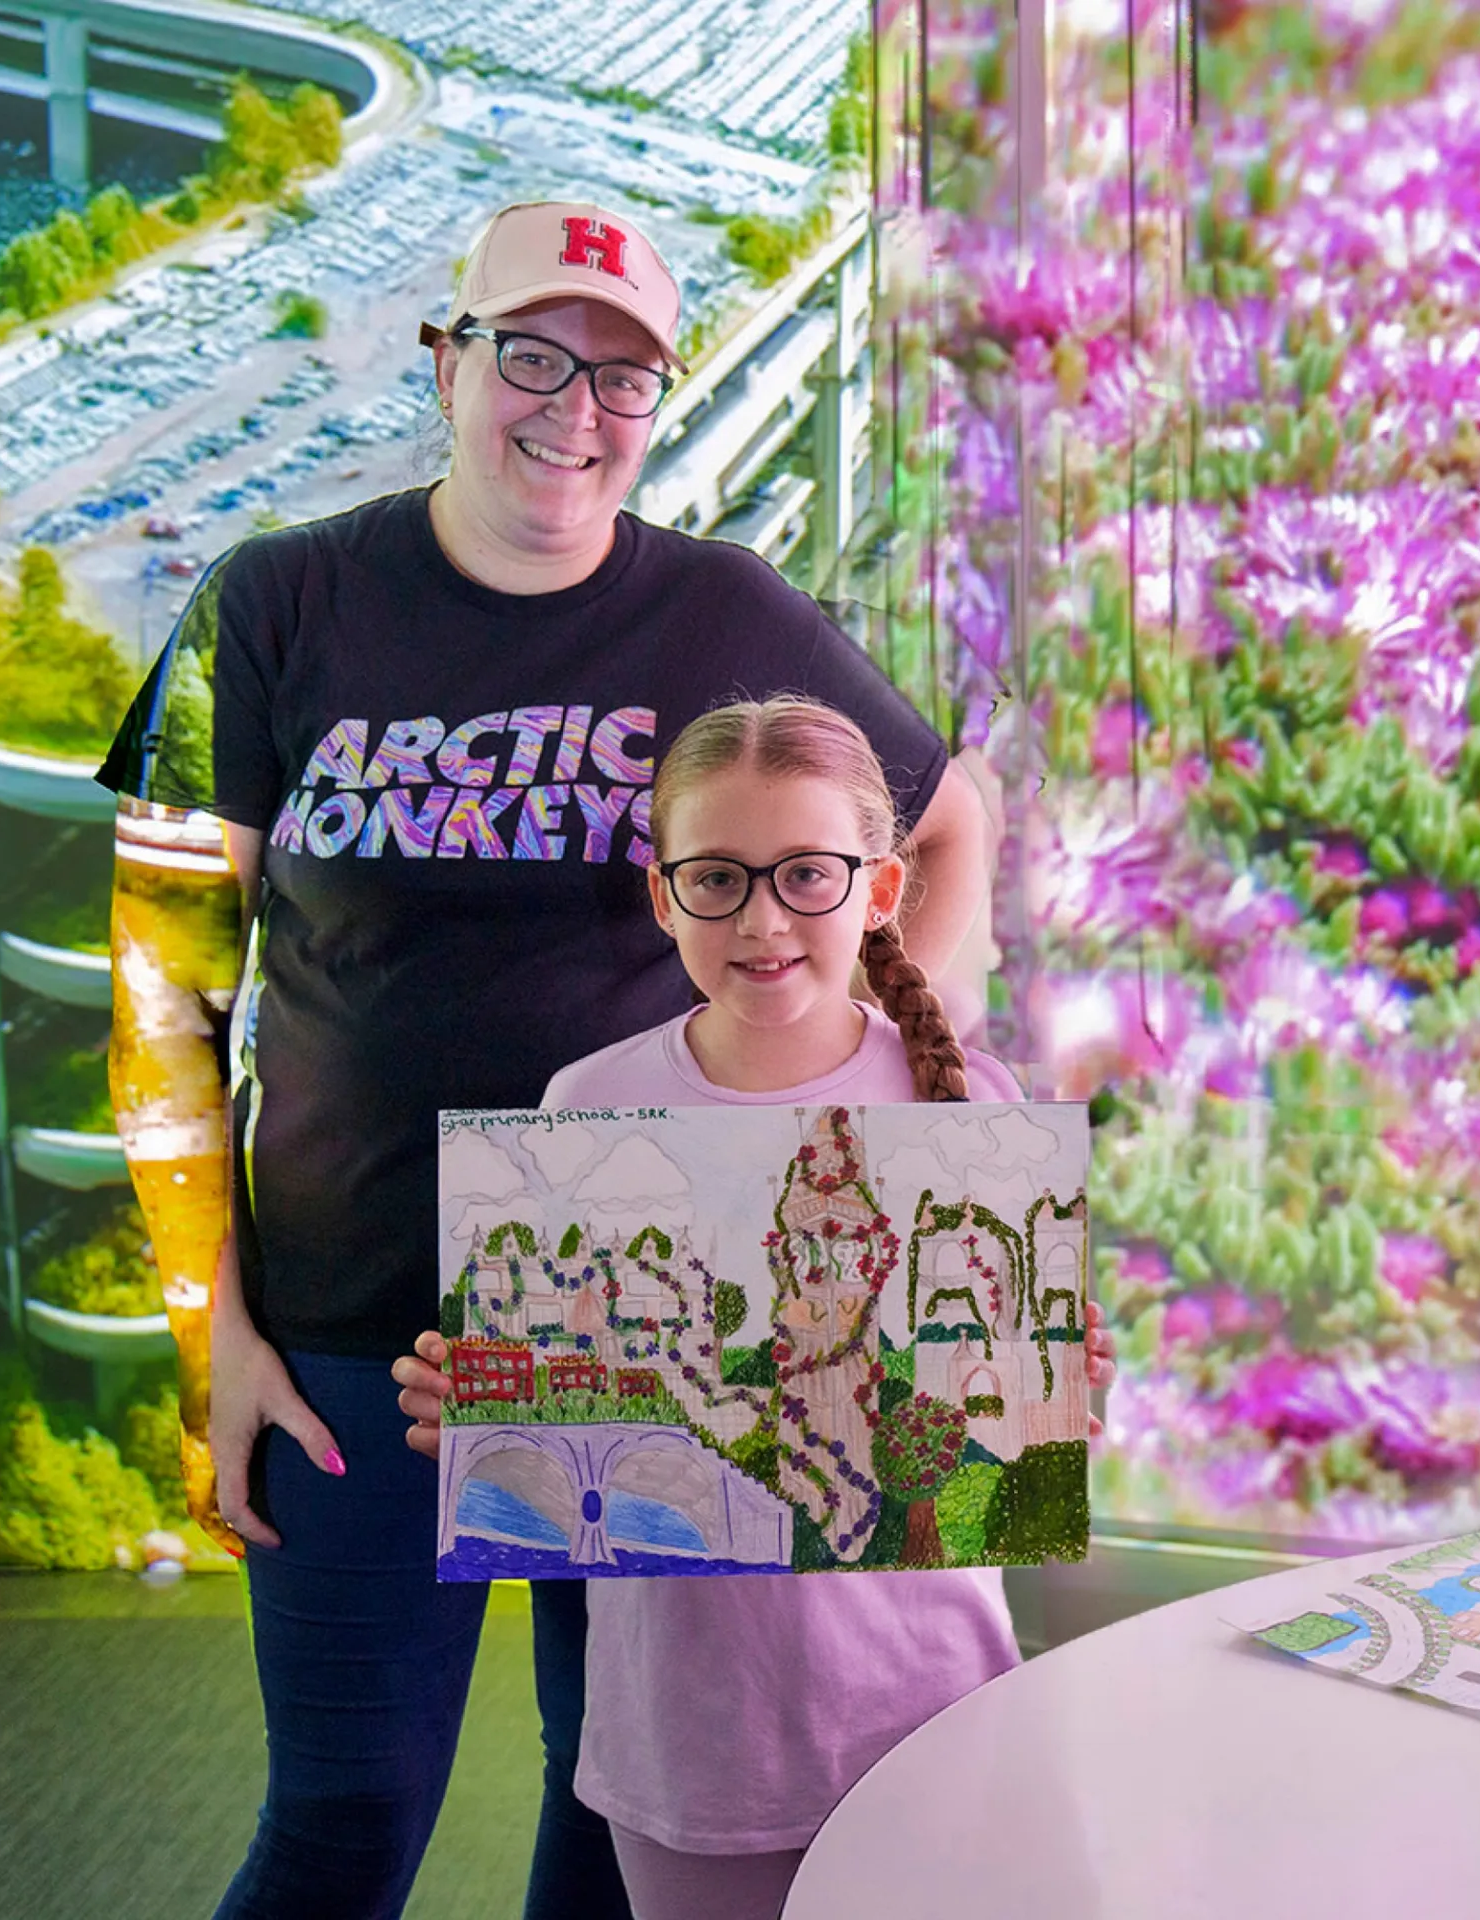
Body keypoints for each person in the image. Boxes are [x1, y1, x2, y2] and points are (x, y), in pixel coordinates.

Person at [98, 201, 991, 1920]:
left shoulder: (720, 610)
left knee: (619, 1815)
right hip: (347, 1327)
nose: (573, 410)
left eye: (623, 377)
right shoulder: (268, 603)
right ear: (447, 363)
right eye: (530, 356)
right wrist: (215, 1333)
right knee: (343, 1825)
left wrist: (864, 1096)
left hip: (647, 1321)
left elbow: (950, 828)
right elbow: (161, 997)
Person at [394, 698, 1116, 1920]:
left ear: (881, 889)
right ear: (663, 896)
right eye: (719, 878)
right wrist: (483, 1418)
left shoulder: (970, 1105)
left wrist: (1069, 1380)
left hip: (933, 1708)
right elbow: (569, 1433)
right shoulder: (588, 1106)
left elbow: (1012, 1456)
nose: (763, 919)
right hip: (692, 1740)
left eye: (807, 875)